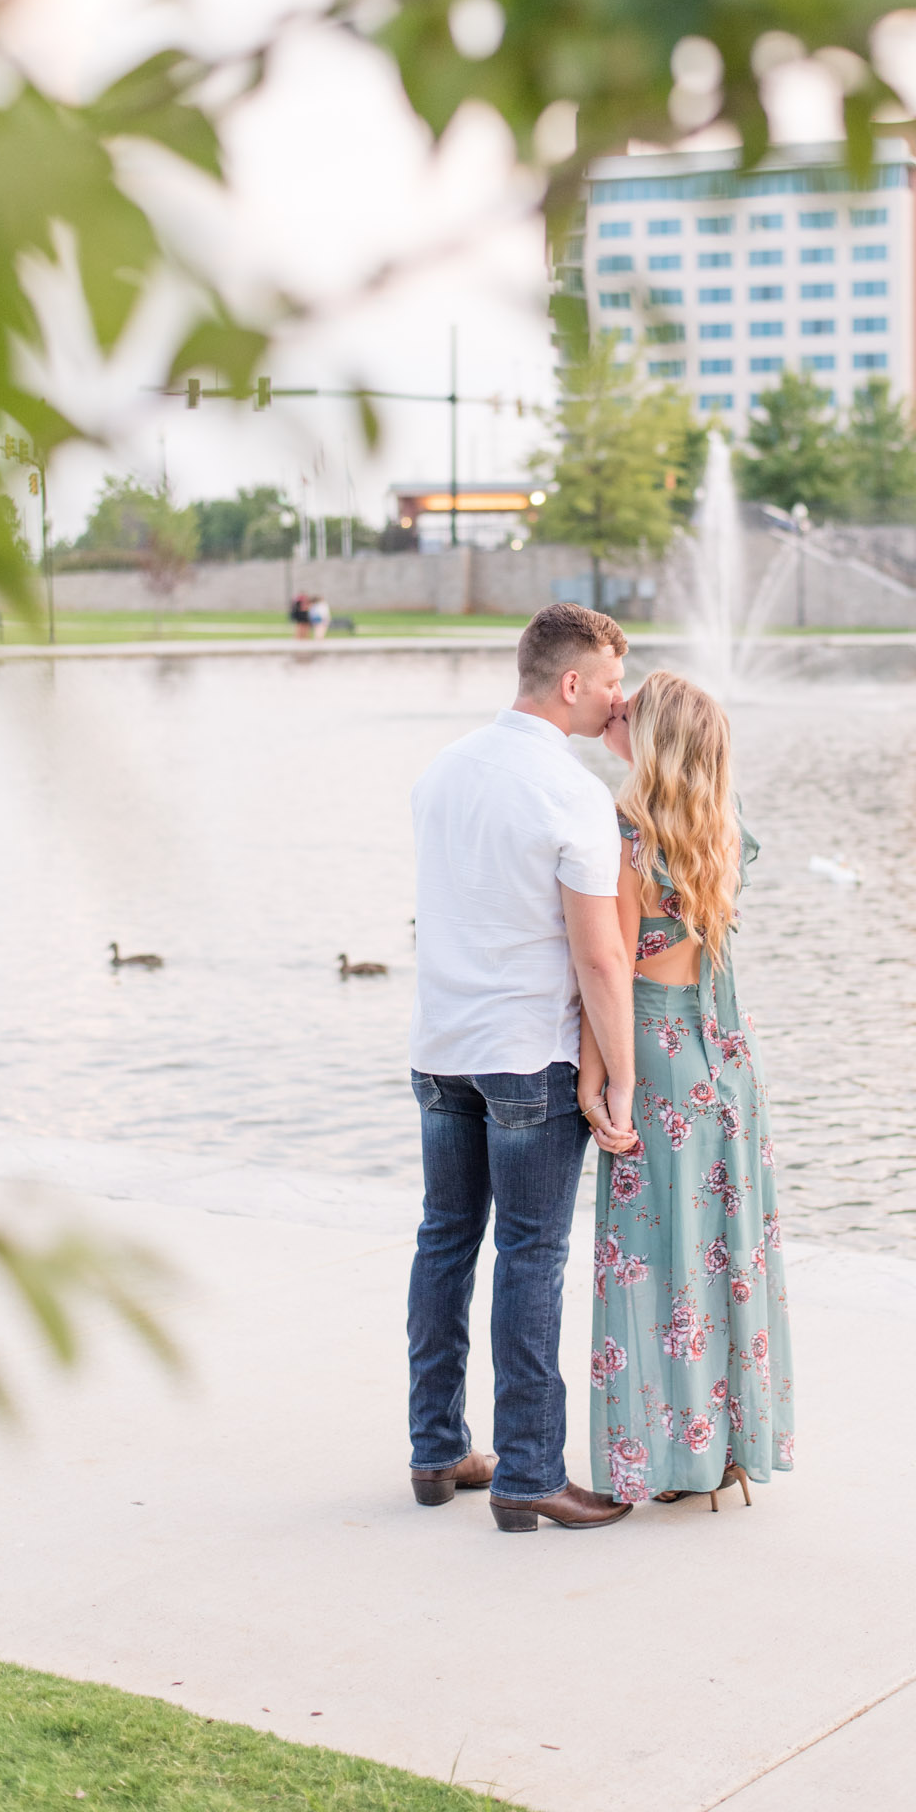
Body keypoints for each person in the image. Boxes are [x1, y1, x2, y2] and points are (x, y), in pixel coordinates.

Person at [407, 603, 639, 1533]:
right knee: (532, 1259)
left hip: (440, 1050)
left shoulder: (442, 769)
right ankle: (530, 1473)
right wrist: (619, 1076)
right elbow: (599, 959)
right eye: (612, 685)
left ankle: (435, 1451)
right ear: (572, 683)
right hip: (528, 1059)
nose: (619, 703)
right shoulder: (572, 792)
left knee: (444, 1243)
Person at [579, 670, 795, 1506]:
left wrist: (600, 1085)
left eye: (630, 709)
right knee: (725, 1259)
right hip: (728, 1065)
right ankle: (728, 1451)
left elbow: (615, 974)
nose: (615, 710)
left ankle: (671, 1462)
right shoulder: (724, 830)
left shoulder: (627, 837)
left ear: (654, 740)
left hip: (661, 1064)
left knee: (653, 1269)